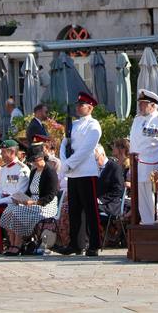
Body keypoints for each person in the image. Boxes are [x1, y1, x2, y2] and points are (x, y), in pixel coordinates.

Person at [56, 91, 103, 256]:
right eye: (77, 104)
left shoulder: (93, 125)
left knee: (91, 211)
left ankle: (94, 244)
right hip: (73, 173)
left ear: (90, 107)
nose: (78, 107)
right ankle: (75, 244)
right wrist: (64, 161)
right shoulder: (74, 125)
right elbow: (64, 144)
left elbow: (86, 149)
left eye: (81, 105)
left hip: (86, 172)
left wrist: (68, 164)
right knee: (74, 211)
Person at [128, 88, 158, 225]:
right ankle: (147, 225)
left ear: (153, 105)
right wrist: (132, 168)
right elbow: (134, 144)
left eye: (144, 103)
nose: (140, 106)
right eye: (140, 103)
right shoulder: (137, 120)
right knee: (143, 202)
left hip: (155, 168)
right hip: (139, 168)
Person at [0, 143, 57, 254]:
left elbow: (51, 195)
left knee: (18, 212)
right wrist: (21, 199)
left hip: (45, 205)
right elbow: (30, 192)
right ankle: (12, 243)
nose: (34, 163)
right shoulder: (34, 172)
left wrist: (34, 202)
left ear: (41, 158)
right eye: (32, 161)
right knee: (9, 211)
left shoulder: (50, 171)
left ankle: (18, 245)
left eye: (35, 160)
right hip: (32, 203)